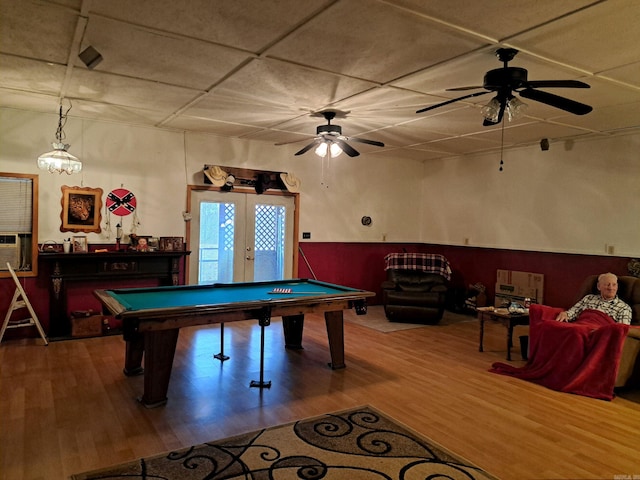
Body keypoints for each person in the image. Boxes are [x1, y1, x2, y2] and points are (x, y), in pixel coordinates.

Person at [555, 272, 632, 325]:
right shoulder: (588, 298)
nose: (611, 288)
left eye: (614, 285)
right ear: (599, 286)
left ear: (617, 287)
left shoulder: (624, 308)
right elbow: (573, 312)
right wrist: (566, 314)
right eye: (607, 285)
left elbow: (622, 330)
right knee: (550, 324)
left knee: (576, 333)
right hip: (580, 324)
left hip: (598, 332)